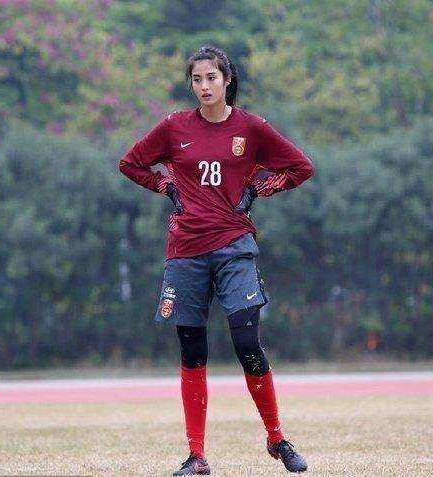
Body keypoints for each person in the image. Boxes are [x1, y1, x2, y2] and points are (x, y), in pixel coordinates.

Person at [118, 45, 314, 475]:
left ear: (227, 80)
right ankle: (197, 456)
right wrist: (166, 186)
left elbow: (301, 167)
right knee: (192, 350)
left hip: (234, 247)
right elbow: (130, 164)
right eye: (197, 79)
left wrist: (261, 188)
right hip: (186, 251)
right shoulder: (174, 127)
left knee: (247, 343)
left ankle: (277, 439)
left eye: (211, 78)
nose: (204, 86)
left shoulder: (252, 128)